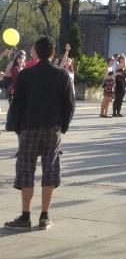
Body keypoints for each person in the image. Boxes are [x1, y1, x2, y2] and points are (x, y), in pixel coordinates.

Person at [5, 36, 75, 230]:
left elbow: (17, 105)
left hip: (29, 126)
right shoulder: (61, 75)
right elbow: (69, 105)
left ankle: (25, 215)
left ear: (35, 52)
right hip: (52, 127)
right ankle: (44, 216)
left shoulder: (26, 74)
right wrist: (63, 126)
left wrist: (19, 128)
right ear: (53, 53)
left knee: (26, 170)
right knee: (50, 170)